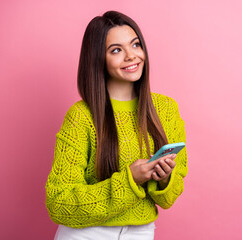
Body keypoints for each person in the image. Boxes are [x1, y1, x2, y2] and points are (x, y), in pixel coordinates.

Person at [45, 10, 188, 240]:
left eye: (135, 45)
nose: (131, 56)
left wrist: (163, 179)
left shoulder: (166, 109)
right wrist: (130, 180)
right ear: (98, 59)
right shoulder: (81, 116)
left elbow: (170, 197)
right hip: (87, 233)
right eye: (116, 50)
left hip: (141, 232)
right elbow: (59, 203)